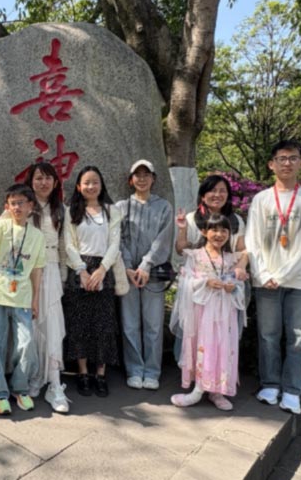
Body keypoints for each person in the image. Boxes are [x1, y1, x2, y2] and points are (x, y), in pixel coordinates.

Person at [245, 140, 301, 415]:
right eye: (282, 158)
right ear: (272, 164)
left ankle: (292, 391)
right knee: (268, 335)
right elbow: (252, 239)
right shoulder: (261, 199)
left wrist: (283, 274)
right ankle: (270, 384)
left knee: (299, 338)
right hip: (266, 280)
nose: (287, 163)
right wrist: (263, 273)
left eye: (293, 158)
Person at [0, 185, 46, 415]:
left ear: (31, 206)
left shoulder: (37, 236)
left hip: (23, 296)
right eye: (13, 203)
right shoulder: (1, 226)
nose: (17, 207)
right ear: (7, 206)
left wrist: (35, 299)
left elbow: (37, 269)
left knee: (26, 344)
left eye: (21, 203)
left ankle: (20, 388)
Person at [170, 214, 246, 411]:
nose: (219, 234)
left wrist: (233, 287)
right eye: (214, 230)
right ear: (204, 232)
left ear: (229, 234)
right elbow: (186, 282)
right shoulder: (195, 255)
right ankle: (198, 389)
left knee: (222, 347)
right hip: (202, 311)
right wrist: (206, 282)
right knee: (203, 346)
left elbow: (239, 285)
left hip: (224, 312)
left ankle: (217, 391)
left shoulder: (231, 258)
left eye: (224, 231)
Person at [63, 166, 121, 398]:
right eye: (86, 182)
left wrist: (102, 269)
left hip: (104, 269)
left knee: (103, 325)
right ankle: (83, 373)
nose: (90, 186)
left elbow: (115, 243)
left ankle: (101, 374)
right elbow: (68, 244)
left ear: (101, 185)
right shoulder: (72, 211)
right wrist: (82, 271)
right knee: (80, 324)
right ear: (79, 186)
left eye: (95, 182)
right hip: (78, 269)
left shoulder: (112, 211)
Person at [116, 160, 173, 390]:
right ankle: (134, 369)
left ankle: (152, 371)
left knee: (154, 325)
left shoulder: (164, 207)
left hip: (153, 275)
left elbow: (163, 239)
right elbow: (117, 239)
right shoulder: (121, 207)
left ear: (153, 179)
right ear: (131, 180)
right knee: (129, 324)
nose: (142, 179)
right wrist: (128, 266)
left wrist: (146, 265)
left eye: (146, 174)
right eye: (137, 175)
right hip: (128, 273)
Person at [23, 162, 69, 413]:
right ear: (31, 182)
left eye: (48, 178)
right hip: (26, 270)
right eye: (39, 178)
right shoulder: (24, 207)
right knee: (30, 325)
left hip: (50, 270)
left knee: (51, 325)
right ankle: (33, 376)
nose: (43, 183)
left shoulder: (61, 209)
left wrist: (63, 275)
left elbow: (64, 245)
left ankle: (54, 383)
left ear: (55, 182)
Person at [175, 174, 246, 254]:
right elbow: (181, 251)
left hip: (229, 262)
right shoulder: (191, 219)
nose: (217, 195)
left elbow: (241, 250)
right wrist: (182, 229)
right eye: (212, 190)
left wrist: (241, 261)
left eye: (222, 191)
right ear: (203, 196)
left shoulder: (237, 220)